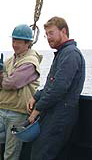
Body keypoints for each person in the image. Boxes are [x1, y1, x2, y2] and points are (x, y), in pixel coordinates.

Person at [0, 24, 42, 160]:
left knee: (10, 155)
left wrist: (2, 75)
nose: (14, 44)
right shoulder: (9, 61)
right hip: (3, 109)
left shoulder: (31, 62)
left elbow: (11, 83)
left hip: (19, 112)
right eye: (13, 40)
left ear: (28, 43)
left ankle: (14, 137)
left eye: (18, 41)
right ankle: (13, 137)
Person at [27, 16, 85, 160]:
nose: (48, 38)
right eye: (46, 35)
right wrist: (36, 96)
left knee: (41, 154)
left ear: (63, 31)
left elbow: (59, 88)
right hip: (54, 113)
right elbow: (51, 84)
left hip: (60, 116)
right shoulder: (63, 53)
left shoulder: (70, 54)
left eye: (51, 33)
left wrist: (37, 109)